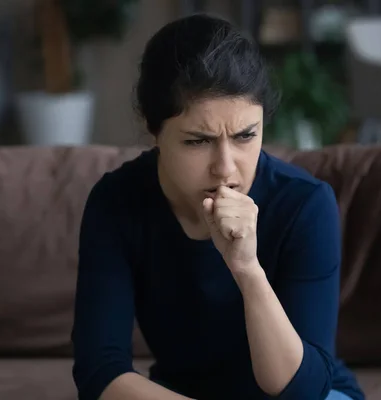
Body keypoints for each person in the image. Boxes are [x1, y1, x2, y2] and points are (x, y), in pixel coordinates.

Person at [71, 13, 365, 400]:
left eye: (246, 136)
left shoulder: (303, 205)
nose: (226, 168)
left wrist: (247, 269)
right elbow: (99, 372)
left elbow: (304, 391)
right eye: (197, 141)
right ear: (153, 129)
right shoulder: (117, 202)